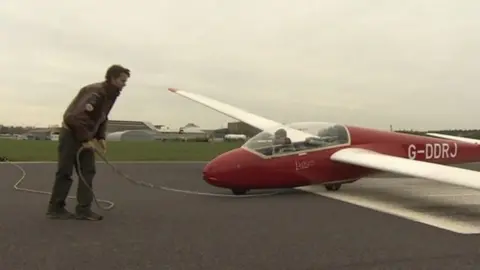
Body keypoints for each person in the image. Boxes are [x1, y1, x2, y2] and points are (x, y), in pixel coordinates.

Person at [46, 65, 130, 221]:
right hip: (71, 135)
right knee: (65, 172)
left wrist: (100, 137)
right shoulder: (95, 92)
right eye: (122, 81)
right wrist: (85, 139)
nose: (124, 84)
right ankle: (56, 208)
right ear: (112, 78)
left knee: (88, 172)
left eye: (125, 81)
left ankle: (83, 209)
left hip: (87, 137)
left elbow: (102, 117)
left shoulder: (111, 95)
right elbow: (73, 118)